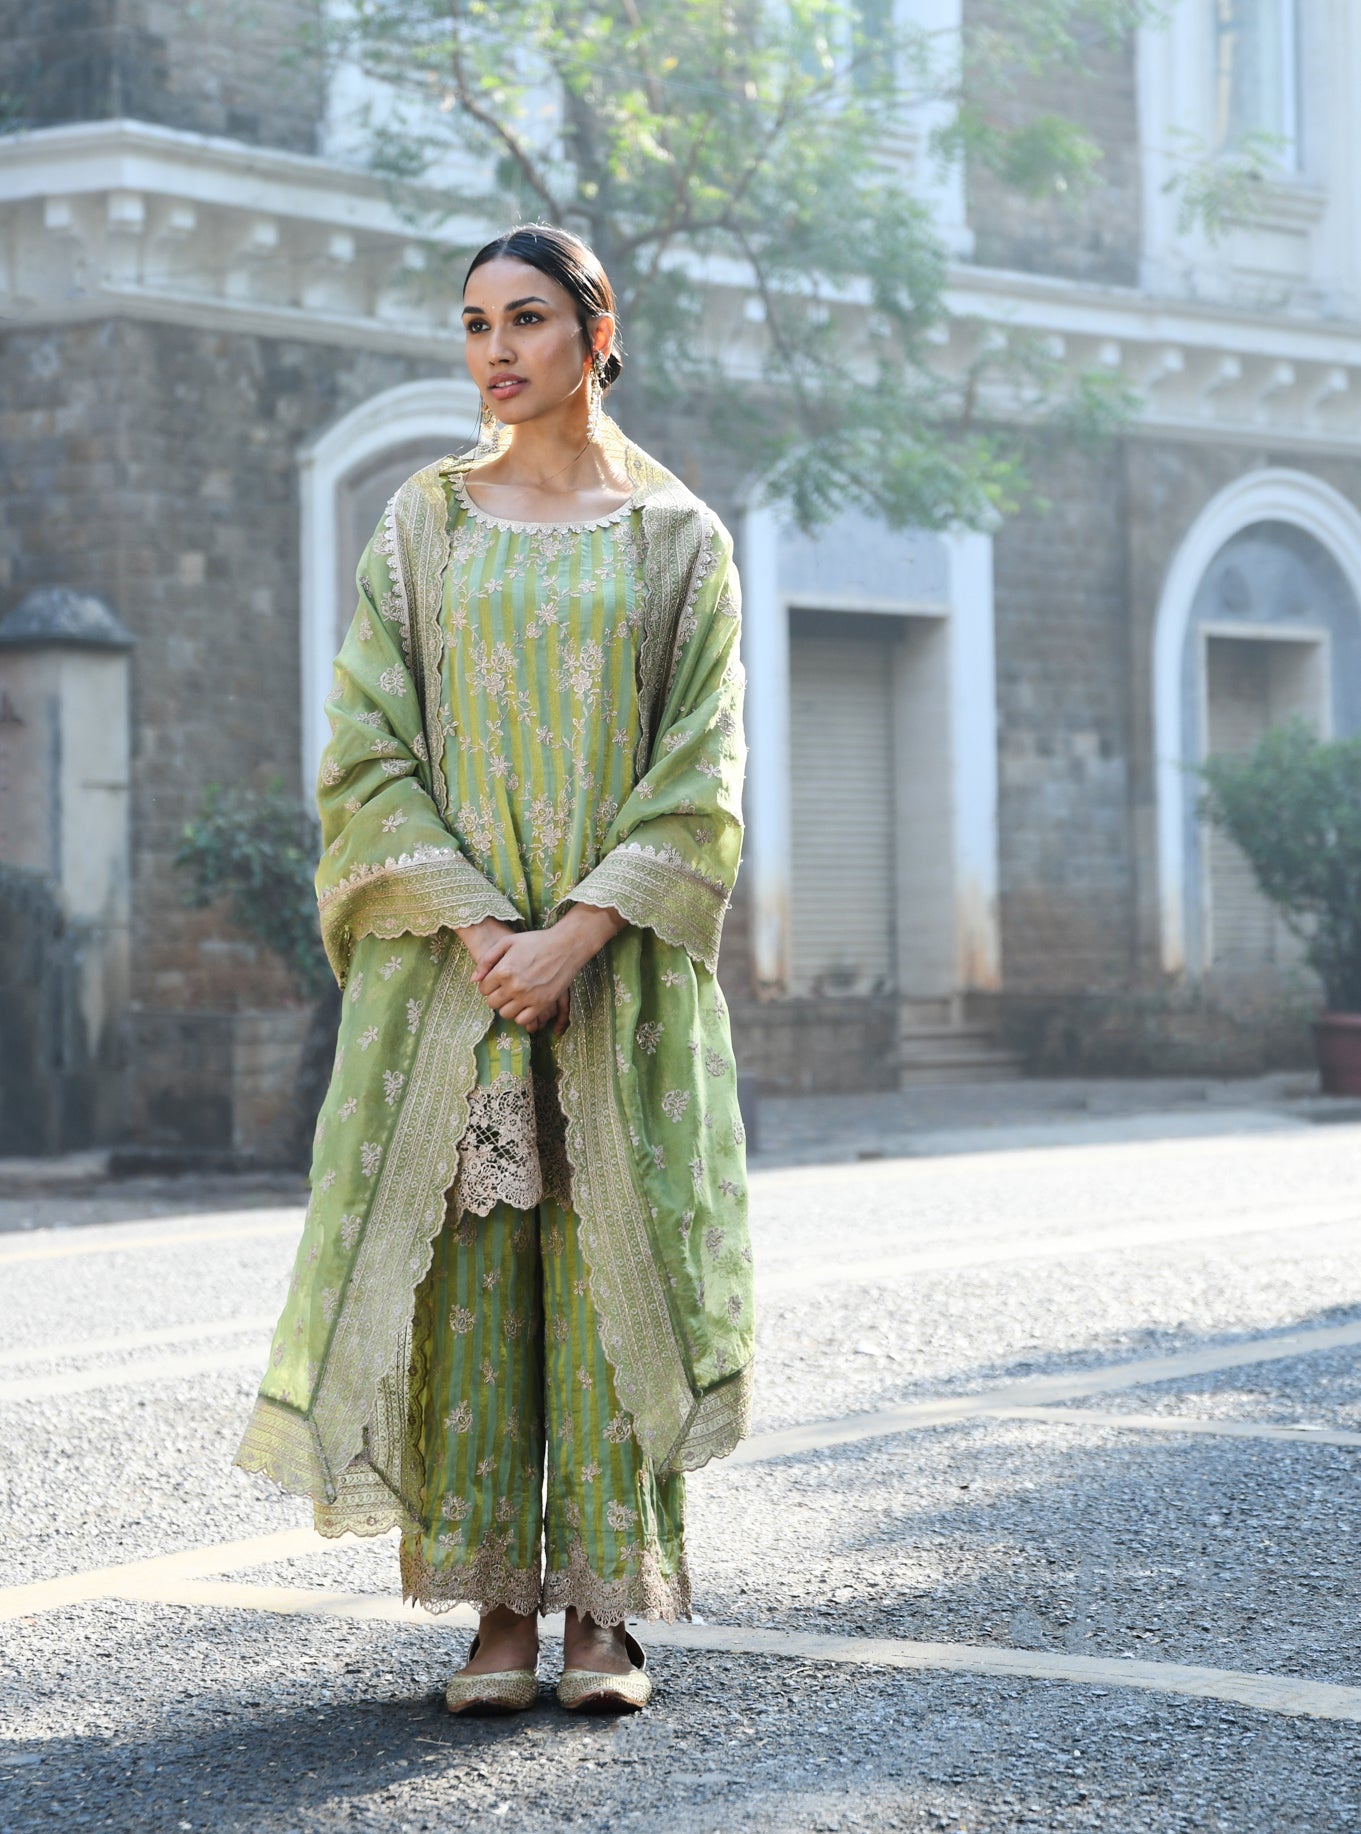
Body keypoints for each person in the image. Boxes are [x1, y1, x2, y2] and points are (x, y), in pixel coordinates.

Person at [236, 224, 753, 1715]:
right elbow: (366, 750)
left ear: (599, 332)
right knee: (467, 1275)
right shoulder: (422, 527)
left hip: (614, 980)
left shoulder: (678, 543)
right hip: (456, 981)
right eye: (473, 325)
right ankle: (497, 1614)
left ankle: (604, 1615)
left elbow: (699, 769)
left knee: (608, 1272)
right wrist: (482, 935)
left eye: (527, 319)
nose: (495, 351)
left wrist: (579, 935)